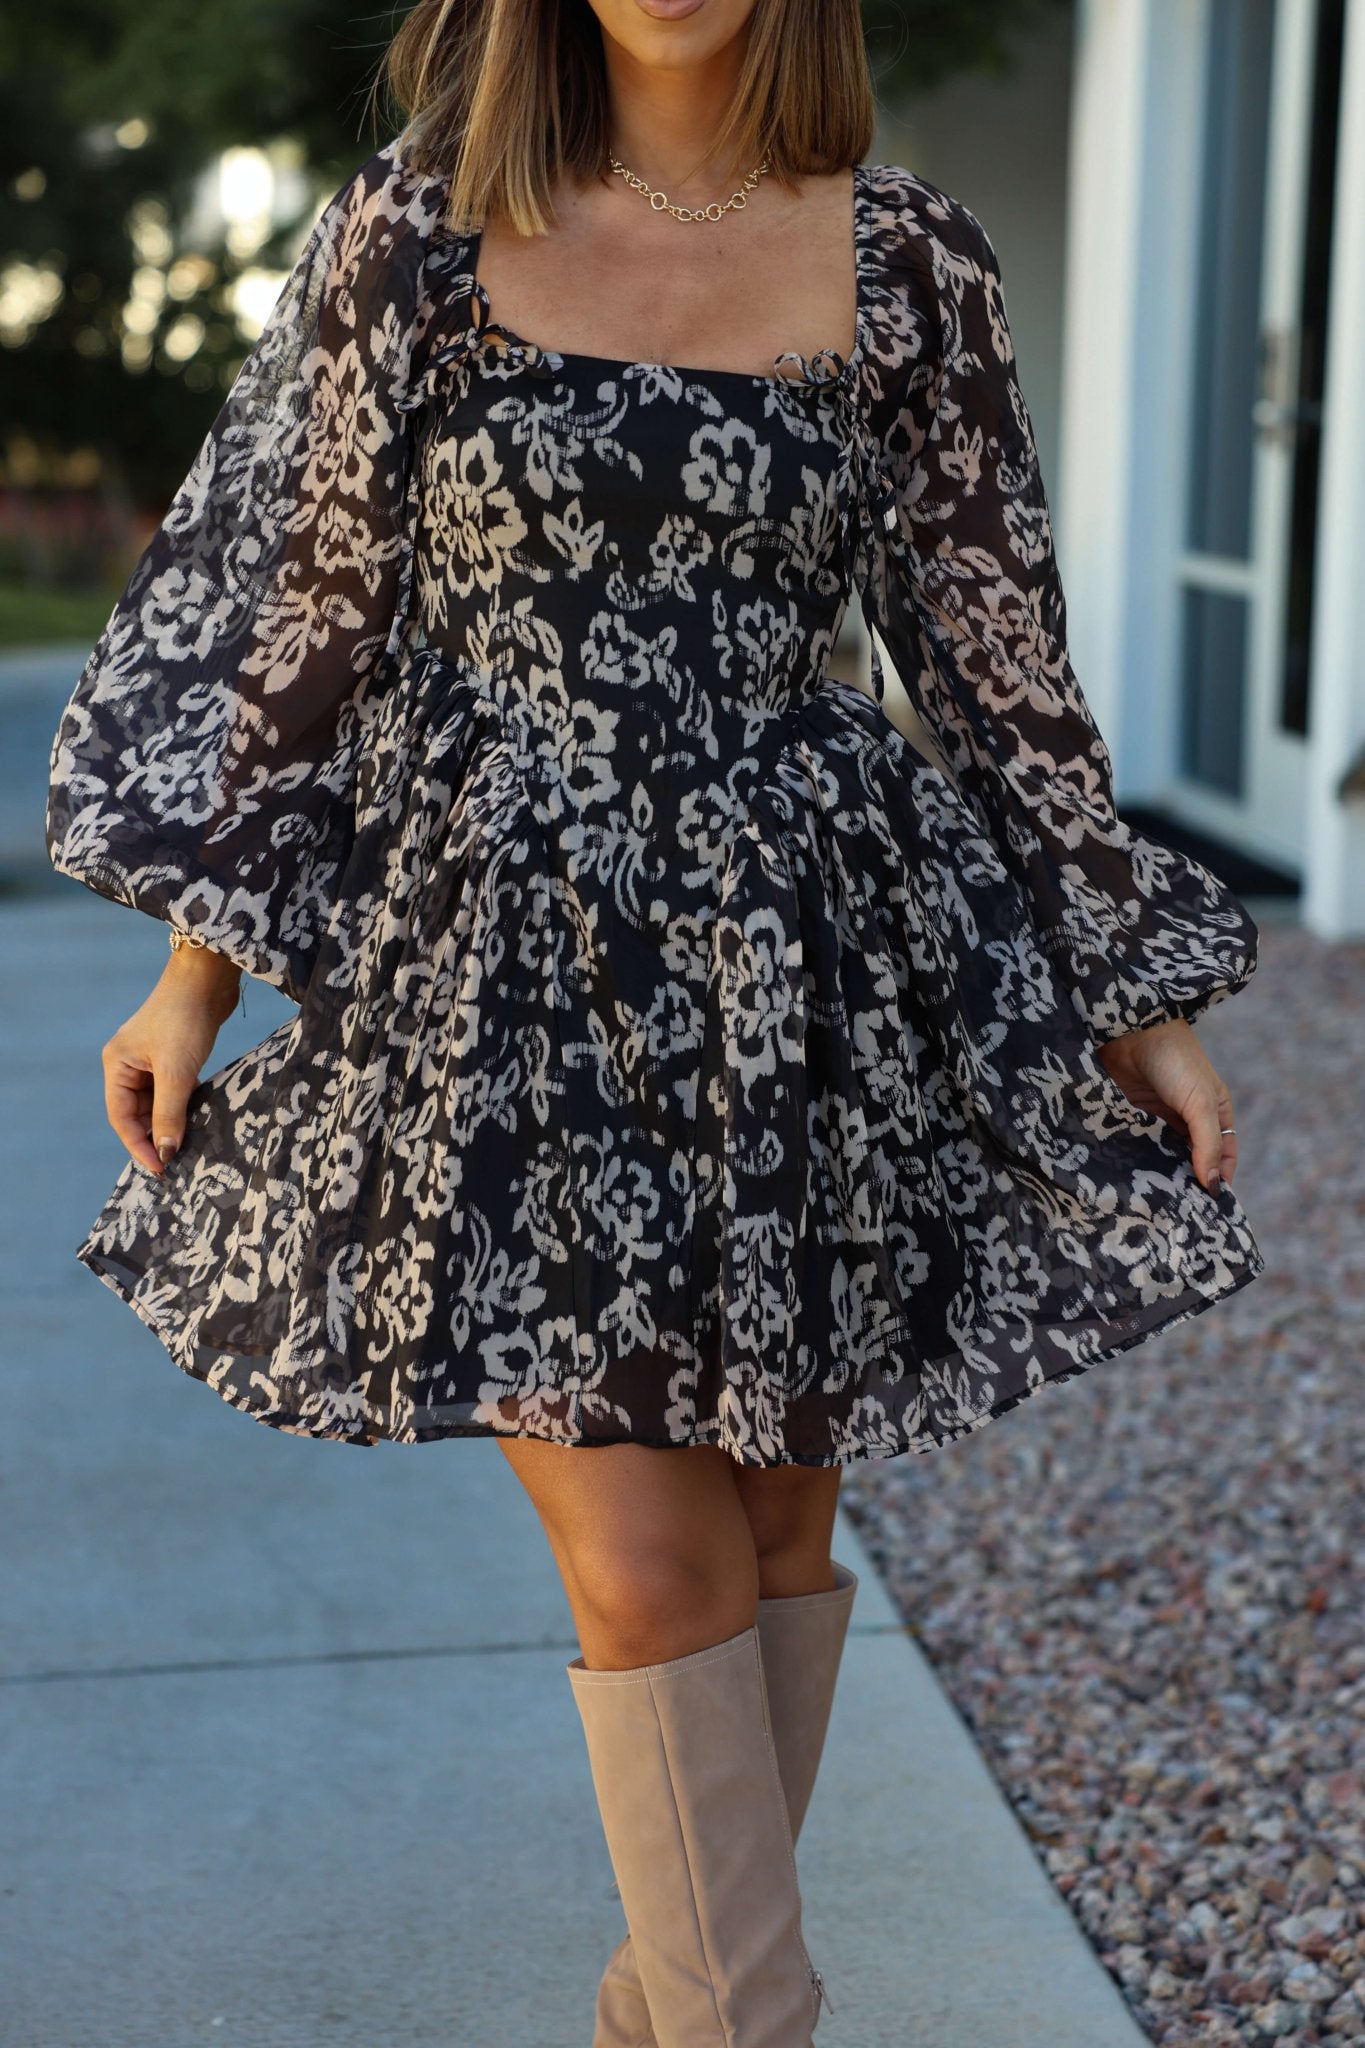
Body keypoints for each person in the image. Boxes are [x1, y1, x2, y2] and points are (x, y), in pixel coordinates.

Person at [45, 0, 1265, 2038]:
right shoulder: (412, 234)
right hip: (493, 967)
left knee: (776, 1515)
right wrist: (197, 969)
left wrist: (1133, 995)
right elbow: (300, 623)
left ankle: (674, 2013)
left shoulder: (909, 259)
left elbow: (988, 659)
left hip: (802, 968)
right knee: (641, 1549)